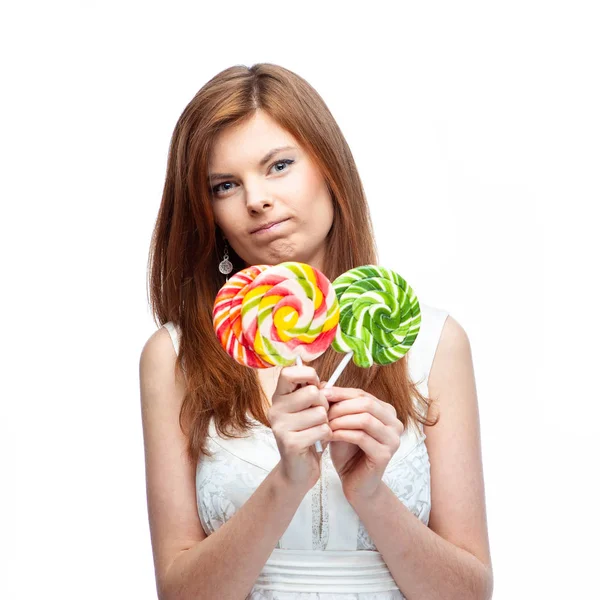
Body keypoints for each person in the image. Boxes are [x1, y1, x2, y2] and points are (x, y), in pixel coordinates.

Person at [139, 63, 493, 600]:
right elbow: (180, 594)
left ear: (329, 169)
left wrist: (370, 493)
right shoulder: (175, 357)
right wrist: (286, 480)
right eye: (225, 185)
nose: (255, 198)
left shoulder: (434, 344)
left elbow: (470, 594)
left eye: (278, 165)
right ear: (206, 210)